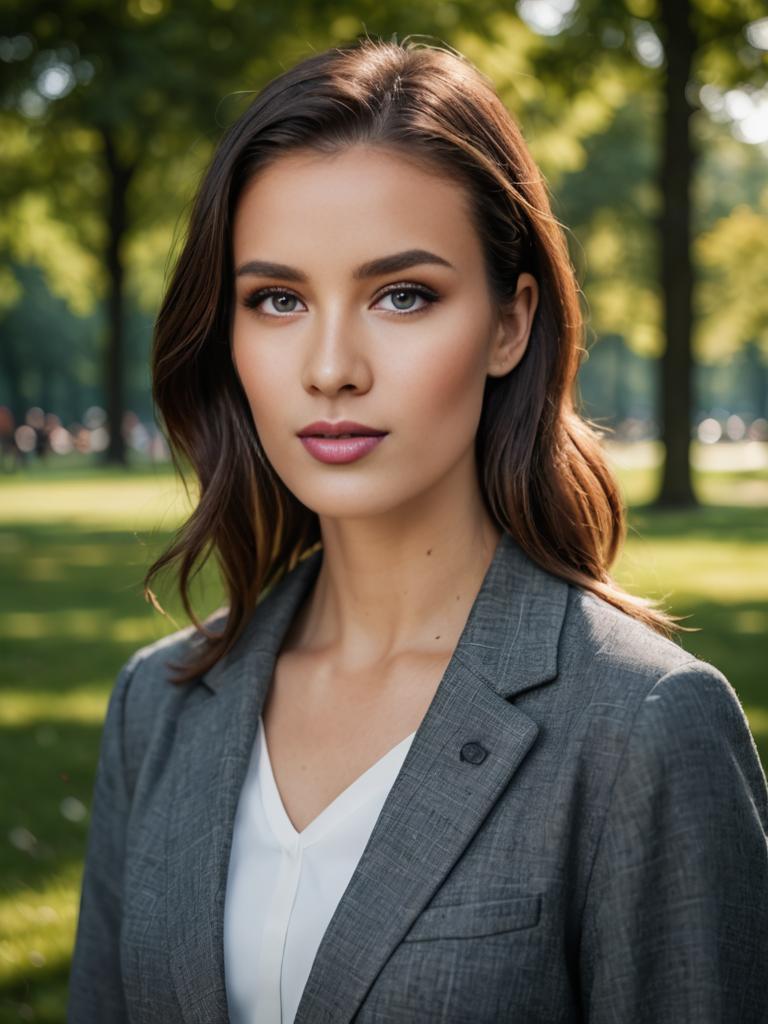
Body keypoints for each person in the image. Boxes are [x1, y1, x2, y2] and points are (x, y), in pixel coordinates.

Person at [67, 36, 768, 1024]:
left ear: (509, 324)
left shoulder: (644, 725)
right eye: (277, 299)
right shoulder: (159, 705)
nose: (331, 367)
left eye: (402, 295)